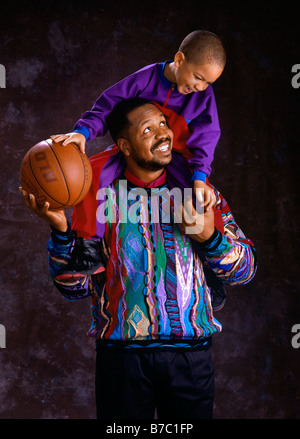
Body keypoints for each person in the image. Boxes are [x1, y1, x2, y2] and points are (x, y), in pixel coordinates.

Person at [19, 99, 257, 419]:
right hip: (122, 360)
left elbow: (245, 271)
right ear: (124, 146)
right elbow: (73, 289)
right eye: (148, 129)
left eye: (163, 124)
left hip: (191, 357)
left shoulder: (199, 191)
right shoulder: (95, 197)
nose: (162, 134)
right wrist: (61, 231)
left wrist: (210, 238)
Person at [51, 30, 226, 213]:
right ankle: (88, 240)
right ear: (180, 59)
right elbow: (109, 104)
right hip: (137, 152)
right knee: (92, 174)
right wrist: (83, 132)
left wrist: (199, 176)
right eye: (198, 78)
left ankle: (202, 241)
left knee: (200, 206)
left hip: (179, 159)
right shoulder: (145, 79)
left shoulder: (203, 97)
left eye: (208, 83)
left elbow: (207, 137)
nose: (200, 87)